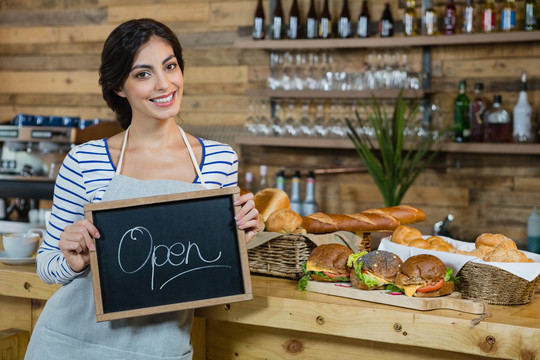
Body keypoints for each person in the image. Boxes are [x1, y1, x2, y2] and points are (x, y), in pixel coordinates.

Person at [25, 18, 260, 360]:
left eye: (170, 66)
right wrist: (73, 262)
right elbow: (47, 264)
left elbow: (207, 272)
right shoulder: (83, 160)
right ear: (119, 86)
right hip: (70, 343)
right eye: (142, 73)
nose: (164, 84)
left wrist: (239, 239)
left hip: (160, 348)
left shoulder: (219, 161)